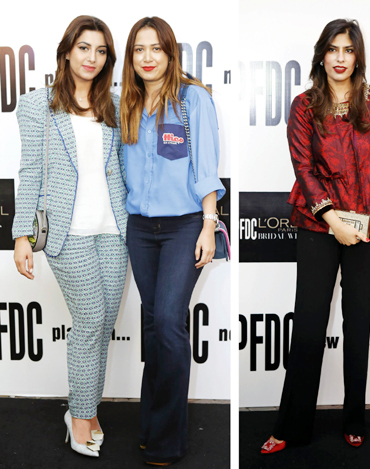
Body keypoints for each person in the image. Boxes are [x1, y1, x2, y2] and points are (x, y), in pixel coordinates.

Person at [261, 18, 370, 454]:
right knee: (308, 326)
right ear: (321, 55)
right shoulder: (304, 106)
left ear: (358, 56)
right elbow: (303, 170)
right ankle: (290, 427)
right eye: (333, 49)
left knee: (358, 326)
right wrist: (333, 222)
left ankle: (354, 419)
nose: (340, 58)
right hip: (318, 227)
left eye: (348, 49)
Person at [12, 15, 127, 458]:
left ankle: (89, 409)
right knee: (90, 320)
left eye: (100, 51)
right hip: (66, 233)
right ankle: (78, 416)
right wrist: (22, 235)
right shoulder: (36, 105)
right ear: (66, 51)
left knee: (103, 324)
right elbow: (29, 171)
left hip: (114, 230)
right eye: (83, 48)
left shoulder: (116, 103)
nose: (91, 58)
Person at [120, 16, 225, 466]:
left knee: (167, 322)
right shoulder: (123, 103)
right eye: (139, 49)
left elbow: (206, 165)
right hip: (140, 230)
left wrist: (208, 224)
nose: (147, 58)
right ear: (131, 57)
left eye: (156, 49)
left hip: (184, 226)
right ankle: (150, 427)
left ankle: (167, 439)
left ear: (170, 53)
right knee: (153, 326)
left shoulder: (192, 99)